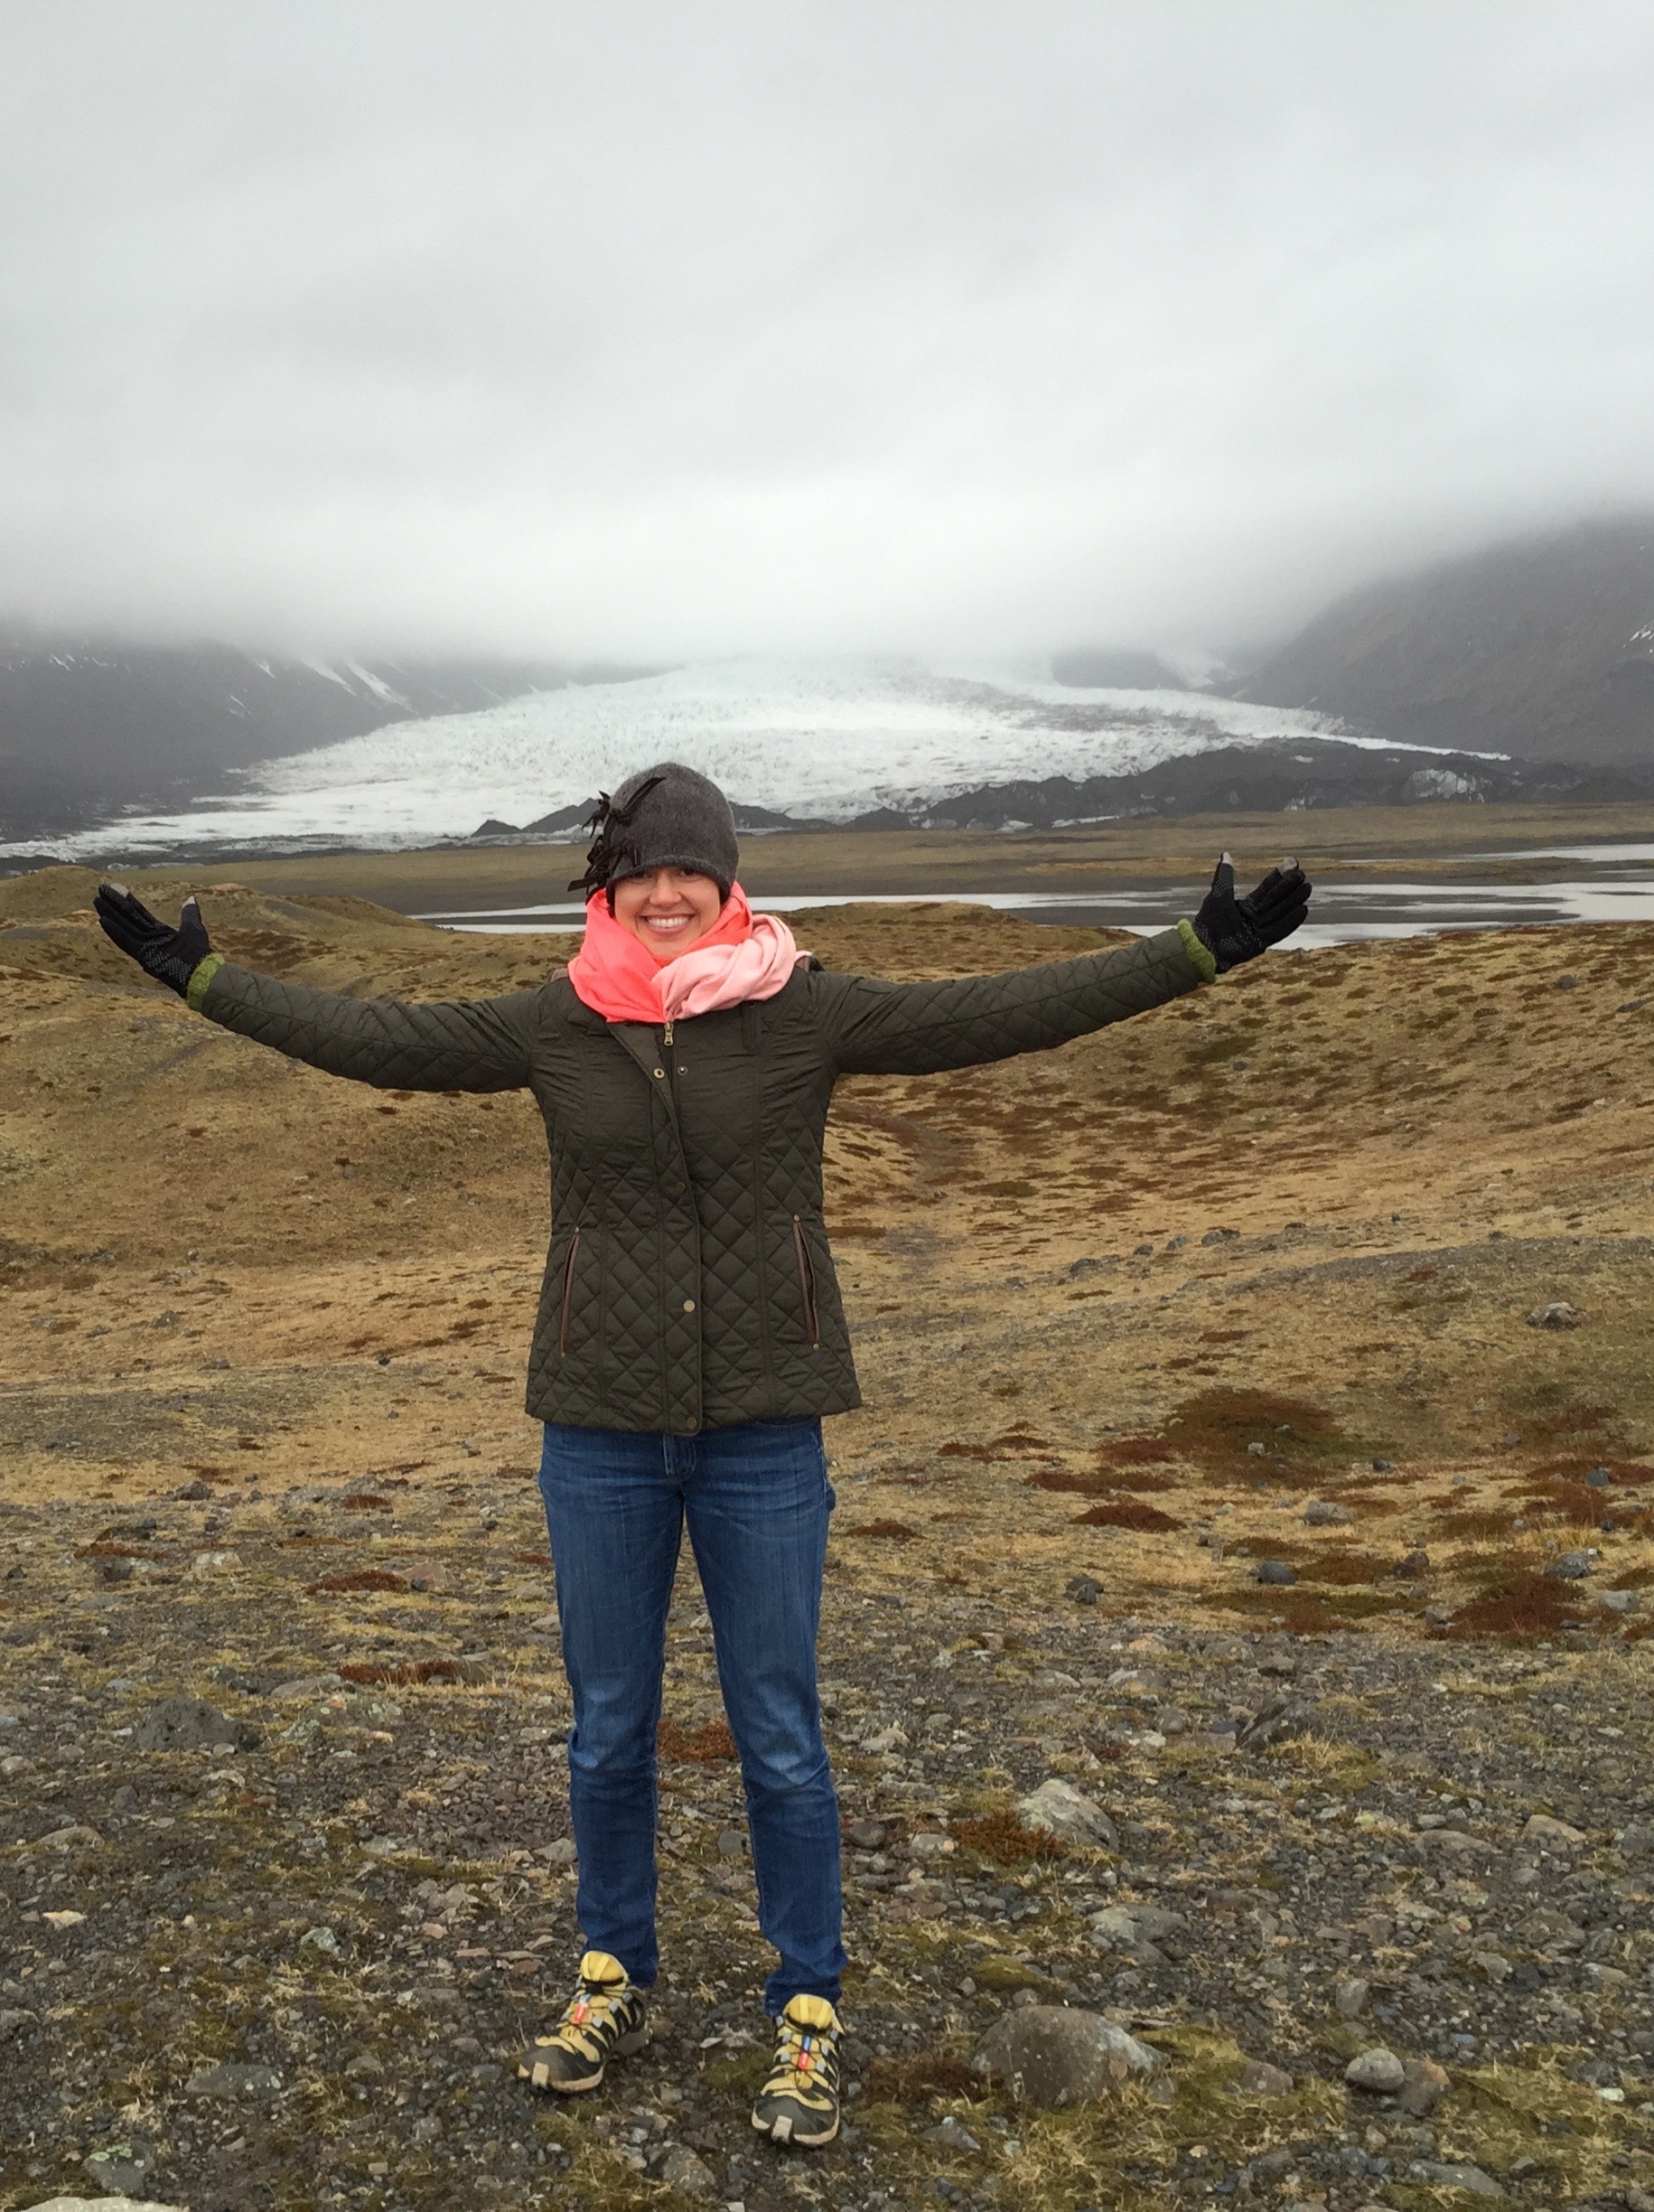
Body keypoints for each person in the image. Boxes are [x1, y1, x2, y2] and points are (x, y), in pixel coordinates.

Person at [96, 762, 1309, 2148]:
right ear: (607, 890)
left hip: (764, 1432)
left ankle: (809, 2007)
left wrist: (1194, 953)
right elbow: (378, 1039)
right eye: (639, 873)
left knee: (779, 1736)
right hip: (600, 1432)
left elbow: (1000, 1012)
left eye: (689, 870)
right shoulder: (556, 1020)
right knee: (609, 1727)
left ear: (729, 884)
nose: (664, 893)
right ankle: (612, 1974)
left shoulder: (808, 1008)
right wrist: (205, 981)